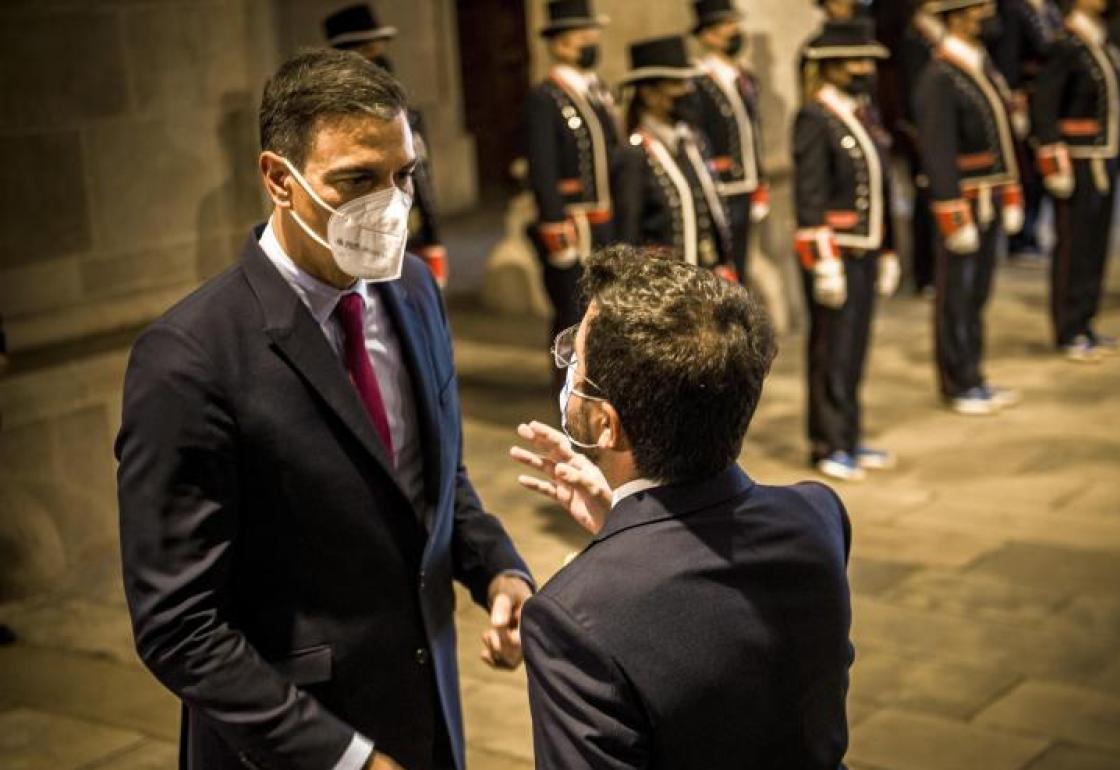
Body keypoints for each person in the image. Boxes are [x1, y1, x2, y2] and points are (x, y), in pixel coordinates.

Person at [116, 49, 534, 770]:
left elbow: (428, 479)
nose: (395, 203)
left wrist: (498, 568)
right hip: (295, 742)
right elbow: (179, 627)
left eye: (405, 175)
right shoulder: (190, 357)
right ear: (278, 179)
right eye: (358, 182)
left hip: (426, 710)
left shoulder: (412, 289)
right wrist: (348, 759)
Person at [509, 246, 855, 769]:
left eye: (575, 361)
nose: (569, 371)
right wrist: (623, 526)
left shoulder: (571, 618)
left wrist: (627, 544)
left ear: (605, 422)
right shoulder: (817, 517)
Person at [793, 19, 901, 481]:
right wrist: (824, 262)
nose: (863, 68)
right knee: (831, 349)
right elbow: (810, 197)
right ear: (830, 66)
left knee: (855, 347)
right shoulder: (815, 117)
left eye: (867, 61)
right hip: (835, 252)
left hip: (866, 248)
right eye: (854, 60)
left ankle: (851, 434)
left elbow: (882, 184)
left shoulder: (861, 113)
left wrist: (891, 248)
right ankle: (827, 442)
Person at [917, 0, 1025, 415]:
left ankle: (974, 373)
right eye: (978, 6)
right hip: (964, 201)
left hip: (988, 196)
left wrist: (1010, 191)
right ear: (957, 15)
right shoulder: (940, 75)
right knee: (956, 295)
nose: (988, 11)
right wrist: (951, 212)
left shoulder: (979, 65)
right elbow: (939, 150)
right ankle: (957, 381)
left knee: (977, 292)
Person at [523, 0, 621, 398]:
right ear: (561, 44)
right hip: (573, 223)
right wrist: (554, 223)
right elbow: (543, 166)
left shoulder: (595, 91)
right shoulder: (546, 97)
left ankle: (599, 383)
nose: (591, 41)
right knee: (570, 309)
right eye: (583, 35)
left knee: (602, 308)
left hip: (602, 219)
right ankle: (567, 390)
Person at [324, 3, 448, 289]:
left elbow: (422, 180)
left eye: (380, 50)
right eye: (368, 52)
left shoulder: (408, 116)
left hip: (408, 232)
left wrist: (433, 239)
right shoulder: (333, 128)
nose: (380, 60)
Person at [1031, 0, 1120, 362]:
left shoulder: (1102, 42)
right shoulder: (1065, 45)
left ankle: (1087, 320)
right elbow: (1045, 106)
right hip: (1077, 160)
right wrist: (1054, 161)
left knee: (1097, 244)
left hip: (1105, 154)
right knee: (1074, 246)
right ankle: (1068, 327)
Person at [614, 36, 735, 278]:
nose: (688, 91)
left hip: (706, 276)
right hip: (666, 285)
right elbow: (628, 233)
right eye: (676, 84)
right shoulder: (635, 154)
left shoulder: (693, 142)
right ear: (649, 94)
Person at [688, 0, 770, 284]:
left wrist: (759, 180)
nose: (734, 31)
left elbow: (753, 134)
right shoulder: (698, 81)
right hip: (721, 187)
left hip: (745, 186)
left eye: (735, 24)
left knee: (741, 267)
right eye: (726, 26)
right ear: (708, 35)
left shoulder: (744, 78)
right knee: (723, 271)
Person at [989, 0, 1064, 265]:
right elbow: (1009, 55)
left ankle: (1032, 231)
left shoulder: (1050, 9)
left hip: (1049, 99)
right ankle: (1020, 235)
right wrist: (1013, 97)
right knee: (1026, 172)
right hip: (1026, 100)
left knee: (1041, 173)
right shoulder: (1013, 9)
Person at [895, 1, 946, 295]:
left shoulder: (935, 36)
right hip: (922, 135)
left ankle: (934, 269)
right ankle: (923, 272)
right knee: (924, 204)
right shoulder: (914, 42)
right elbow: (916, 94)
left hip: (936, 131)